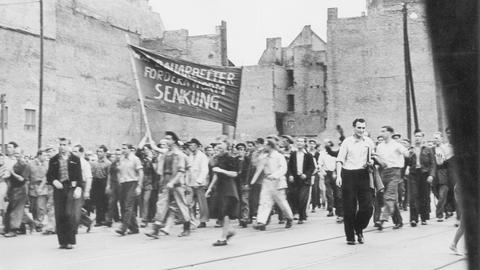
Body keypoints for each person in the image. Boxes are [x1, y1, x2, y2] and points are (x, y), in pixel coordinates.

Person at [336, 118, 374, 245]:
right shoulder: (347, 142)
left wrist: (371, 162)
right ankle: (350, 236)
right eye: (359, 127)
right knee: (349, 208)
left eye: (363, 128)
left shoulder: (369, 142)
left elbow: (372, 157)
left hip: (363, 175)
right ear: (354, 128)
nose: (361, 130)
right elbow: (340, 160)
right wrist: (339, 176)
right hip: (348, 175)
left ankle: (358, 228)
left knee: (368, 207)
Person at [146, 131, 190, 238]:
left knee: (181, 205)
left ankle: (186, 228)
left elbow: (181, 171)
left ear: (174, 140)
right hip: (165, 182)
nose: (166, 140)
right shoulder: (165, 154)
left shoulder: (179, 154)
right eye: (166, 138)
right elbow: (160, 169)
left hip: (177, 183)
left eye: (169, 139)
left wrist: (173, 182)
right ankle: (155, 230)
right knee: (161, 205)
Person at [46, 138, 83, 249]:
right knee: (60, 214)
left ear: (69, 146)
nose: (62, 147)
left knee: (68, 214)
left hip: (70, 187)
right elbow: (49, 176)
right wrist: (54, 181)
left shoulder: (75, 159)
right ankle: (62, 241)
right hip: (59, 188)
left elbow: (79, 176)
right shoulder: (53, 159)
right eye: (61, 144)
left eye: (64, 144)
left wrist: (78, 188)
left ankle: (70, 240)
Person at [373, 126, 410, 230]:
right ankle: (398, 221)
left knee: (389, 195)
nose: (381, 133)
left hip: (395, 172)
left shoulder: (396, 145)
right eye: (381, 131)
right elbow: (378, 158)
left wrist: (408, 153)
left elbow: (406, 153)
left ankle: (382, 220)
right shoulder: (380, 146)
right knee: (389, 197)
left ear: (390, 133)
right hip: (383, 172)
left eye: (384, 131)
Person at [251, 140, 293, 231]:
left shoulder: (279, 156)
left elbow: (283, 169)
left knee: (281, 202)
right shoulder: (264, 156)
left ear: (270, 146)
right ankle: (261, 222)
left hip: (277, 181)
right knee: (264, 201)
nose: (264, 147)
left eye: (266, 145)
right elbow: (256, 164)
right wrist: (257, 153)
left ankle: (289, 217)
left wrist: (274, 176)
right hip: (267, 181)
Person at [206, 141, 239, 246]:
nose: (217, 151)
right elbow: (215, 175)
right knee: (223, 212)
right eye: (216, 149)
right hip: (220, 188)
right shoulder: (217, 159)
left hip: (229, 187)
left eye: (220, 148)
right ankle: (228, 232)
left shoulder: (230, 159)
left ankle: (223, 238)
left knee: (225, 212)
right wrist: (210, 188)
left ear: (225, 149)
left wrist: (221, 170)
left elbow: (234, 173)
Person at [407, 129, 436, 227]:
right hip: (413, 174)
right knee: (413, 196)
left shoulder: (428, 149)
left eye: (419, 136)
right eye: (416, 136)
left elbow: (433, 163)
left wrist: (431, 175)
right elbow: (406, 162)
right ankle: (414, 219)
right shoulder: (410, 149)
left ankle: (424, 218)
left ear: (423, 138)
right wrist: (406, 168)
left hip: (424, 174)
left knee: (424, 196)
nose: (417, 138)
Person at [115, 144, 143, 236]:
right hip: (124, 184)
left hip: (132, 183)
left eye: (125, 148)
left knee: (128, 205)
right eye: (122, 148)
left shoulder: (135, 159)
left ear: (130, 149)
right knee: (125, 206)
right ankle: (134, 228)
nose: (123, 150)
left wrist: (139, 186)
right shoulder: (121, 159)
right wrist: (120, 181)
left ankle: (123, 227)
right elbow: (119, 171)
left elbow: (140, 172)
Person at [287, 138, 315, 224]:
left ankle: (301, 216)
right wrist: (290, 175)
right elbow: (290, 167)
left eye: (301, 141)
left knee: (302, 198)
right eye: (298, 141)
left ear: (304, 143)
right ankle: (298, 213)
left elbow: (312, 167)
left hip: (305, 180)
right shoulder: (293, 154)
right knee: (295, 197)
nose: (299, 143)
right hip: (295, 180)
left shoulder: (308, 155)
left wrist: (306, 175)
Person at [186, 138, 210, 228]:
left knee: (202, 203)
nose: (191, 147)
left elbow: (204, 170)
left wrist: (199, 181)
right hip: (191, 182)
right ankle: (192, 220)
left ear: (197, 146)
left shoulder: (202, 156)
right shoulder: (190, 156)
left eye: (193, 145)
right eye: (190, 145)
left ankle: (203, 220)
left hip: (200, 183)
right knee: (191, 203)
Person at [24, 150, 49, 232]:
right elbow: (26, 177)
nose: (45, 157)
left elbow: (46, 176)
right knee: (34, 207)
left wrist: (41, 187)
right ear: (39, 155)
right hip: (32, 187)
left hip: (42, 187)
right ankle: (35, 221)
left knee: (41, 207)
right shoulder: (30, 164)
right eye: (44, 155)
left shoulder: (47, 164)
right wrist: (28, 188)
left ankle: (39, 223)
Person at [71, 145, 93, 233]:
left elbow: (89, 178)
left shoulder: (84, 163)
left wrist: (87, 191)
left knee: (76, 207)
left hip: (82, 185)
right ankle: (87, 222)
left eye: (76, 151)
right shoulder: (72, 162)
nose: (74, 153)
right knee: (73, 208)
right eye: (73, 151)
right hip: (73, 185)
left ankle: (74, 229)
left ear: (81, 153)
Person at [90, 145, 111, 227]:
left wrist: (108, 185)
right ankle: (99, 220)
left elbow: (109, 175)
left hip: (104, 182)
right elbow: (92, 173)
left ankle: (106, 219)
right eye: (98, 151)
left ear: (105, 153)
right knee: (98, 202)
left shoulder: (108, 163)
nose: (99, 153)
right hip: (96, 182)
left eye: (101, 151)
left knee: (105, 201)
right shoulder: (95, 163)